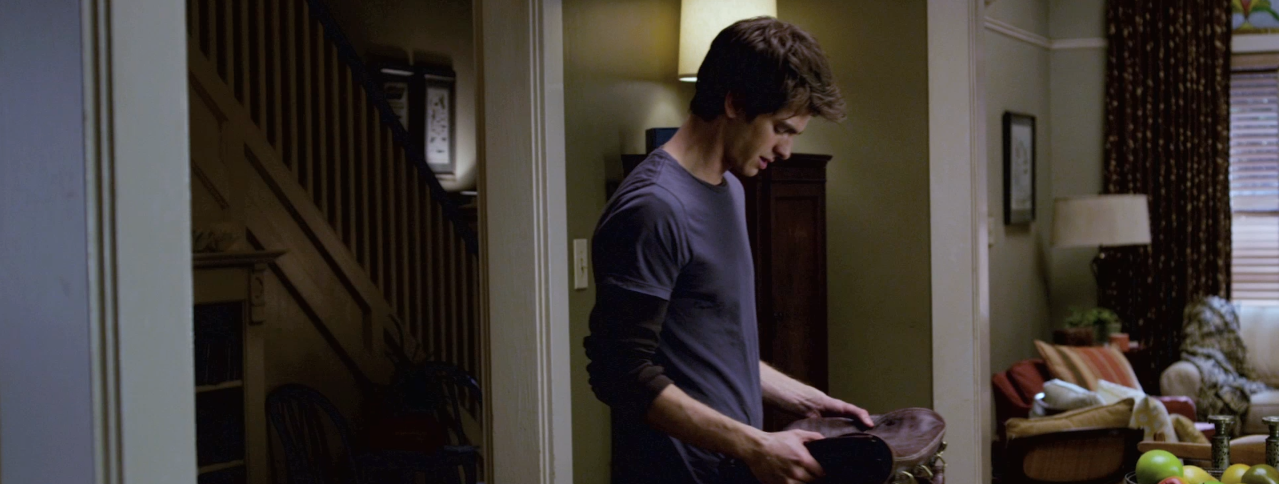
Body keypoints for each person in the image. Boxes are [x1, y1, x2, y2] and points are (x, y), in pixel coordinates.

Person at [583, 16, 873, 484]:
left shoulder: (730, 189)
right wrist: (756, 445)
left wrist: (807, 400)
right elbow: (620, 371)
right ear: (735, 103)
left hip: (728, 470)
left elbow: (715, 347)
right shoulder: (654, 207)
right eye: (781, 128)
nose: (785, 150)